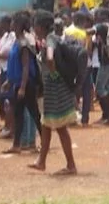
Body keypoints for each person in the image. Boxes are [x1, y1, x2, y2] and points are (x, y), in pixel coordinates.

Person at [29, 10, 77, 176]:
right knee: (47, 124)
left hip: (54, 87)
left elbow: (49, 58)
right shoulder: (51, 38)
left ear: (40, 26)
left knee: (59, 126)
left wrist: (53, 73)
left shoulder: (50, 39)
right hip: (53, 86)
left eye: (35, 25)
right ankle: (41, 161)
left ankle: (71, 165)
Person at [2, 11, 42, 154]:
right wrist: (9, 81)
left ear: (18, 25)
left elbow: (25, 67)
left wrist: (23, 87)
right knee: (19, 114)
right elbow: (16, 65)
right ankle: (16, 145)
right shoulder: (17, 42)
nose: (11, 24)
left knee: (34, 114)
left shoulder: (24, 44)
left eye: (13, 22)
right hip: (18, 83)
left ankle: (44, 141)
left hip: (26, 84)